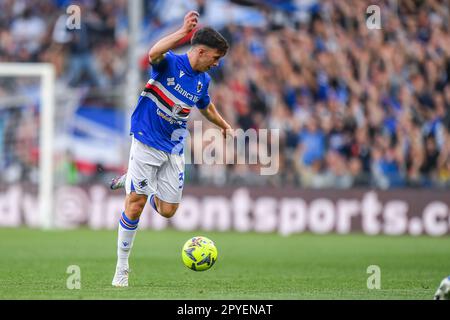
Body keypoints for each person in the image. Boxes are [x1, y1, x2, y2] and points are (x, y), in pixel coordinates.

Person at [111, 11, 233, 287]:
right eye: (215, 58)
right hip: (145, 139)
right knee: (136, 205)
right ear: (200, 51)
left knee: (167, 211)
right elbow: (153, 52)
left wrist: (224, 126)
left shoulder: (203, 81)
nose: (216, 64)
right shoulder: (169, 64)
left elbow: (206, 106)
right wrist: (182, 32)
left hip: (174, 148)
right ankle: (121, 269)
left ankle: (131, 181)